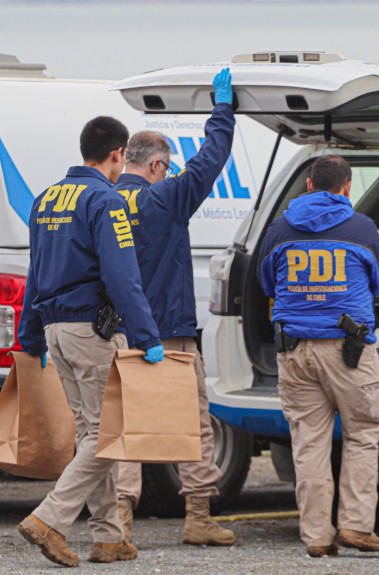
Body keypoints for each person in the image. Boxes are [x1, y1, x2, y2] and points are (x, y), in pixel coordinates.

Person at [14, 116, 163, 567]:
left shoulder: (46, 199)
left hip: (57, 331)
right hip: (93, 332)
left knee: (90, 434)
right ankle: (49, 519)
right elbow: (122, 275)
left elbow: (35, 273)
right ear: (118, 154)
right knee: (106, 435)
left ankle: (108, 537)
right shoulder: (106, 199)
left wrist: (30, 335)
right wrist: (147, 335)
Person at [111, 68, 238, 547]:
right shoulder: (165, 199)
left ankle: (121, 523)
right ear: (159, 167)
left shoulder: (101, 202)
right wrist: (221, 109)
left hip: (118, 336)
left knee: (124, 431)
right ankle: (198, 517)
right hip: (170, 333)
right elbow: (210, 160)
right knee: (191, 425)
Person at [258, 155, 379, 557]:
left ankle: (317, 536)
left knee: (309, 443)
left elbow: (267, 283)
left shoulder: (279, 228)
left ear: (309, 185)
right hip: (349, 350)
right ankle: (356, 526)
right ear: (347, 187)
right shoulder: (362, 228)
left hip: (295, 350)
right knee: (362, 435)